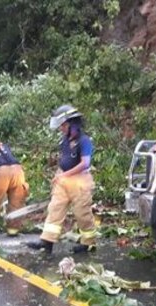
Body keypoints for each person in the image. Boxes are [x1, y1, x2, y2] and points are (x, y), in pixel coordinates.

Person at [27, 105, 97, 254]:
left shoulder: (84, 141)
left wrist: (64, 175)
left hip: (80, 182)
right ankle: (47, 241)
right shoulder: (64, 140)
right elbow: (64, 160)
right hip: (64, 180)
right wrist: (58, 175)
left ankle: (88, 243)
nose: (61, 129)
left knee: (82, 214)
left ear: (73, 124)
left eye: (64, 125)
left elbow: (85, 163)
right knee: (55, 208)